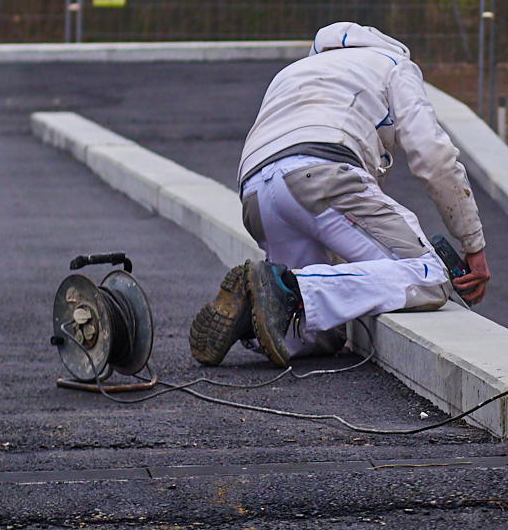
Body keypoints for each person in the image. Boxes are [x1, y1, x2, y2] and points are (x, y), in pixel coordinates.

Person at [190, 22, 490, 368]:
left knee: (319, 333)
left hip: (256, 193)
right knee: (430, 274)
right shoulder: (393, 65)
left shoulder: (293, 72)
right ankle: (290, 289)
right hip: (320, 173)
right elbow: (434, 157)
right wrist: (473, 244)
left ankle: (251, 316)